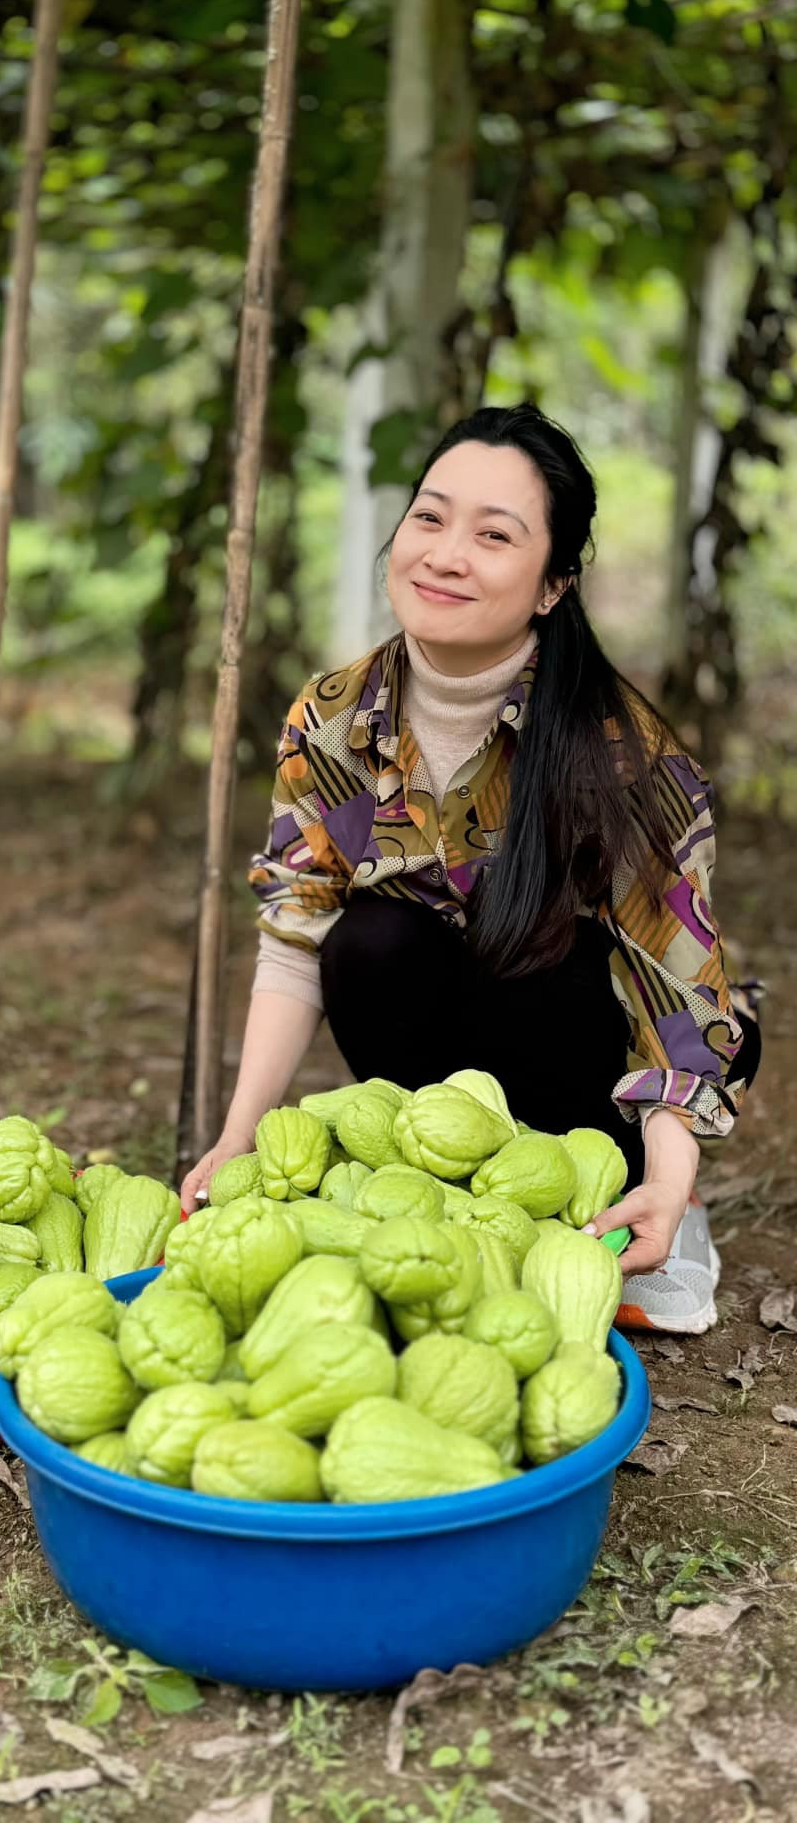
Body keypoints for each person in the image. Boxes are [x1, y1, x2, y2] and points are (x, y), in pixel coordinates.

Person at [180, 402, 760, 1335]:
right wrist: (237, 1137)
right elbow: (296, 933)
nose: (446, 555)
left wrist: (668, 1171)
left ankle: (643, 1203)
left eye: (494, 535)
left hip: (577, 1040)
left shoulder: (623, 753)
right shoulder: (332, 720)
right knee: (369, 941)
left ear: (552, 586)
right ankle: (448, 1184)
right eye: (430, 517)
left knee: (537, 951)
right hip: (443, 1067)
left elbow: (675, 987)